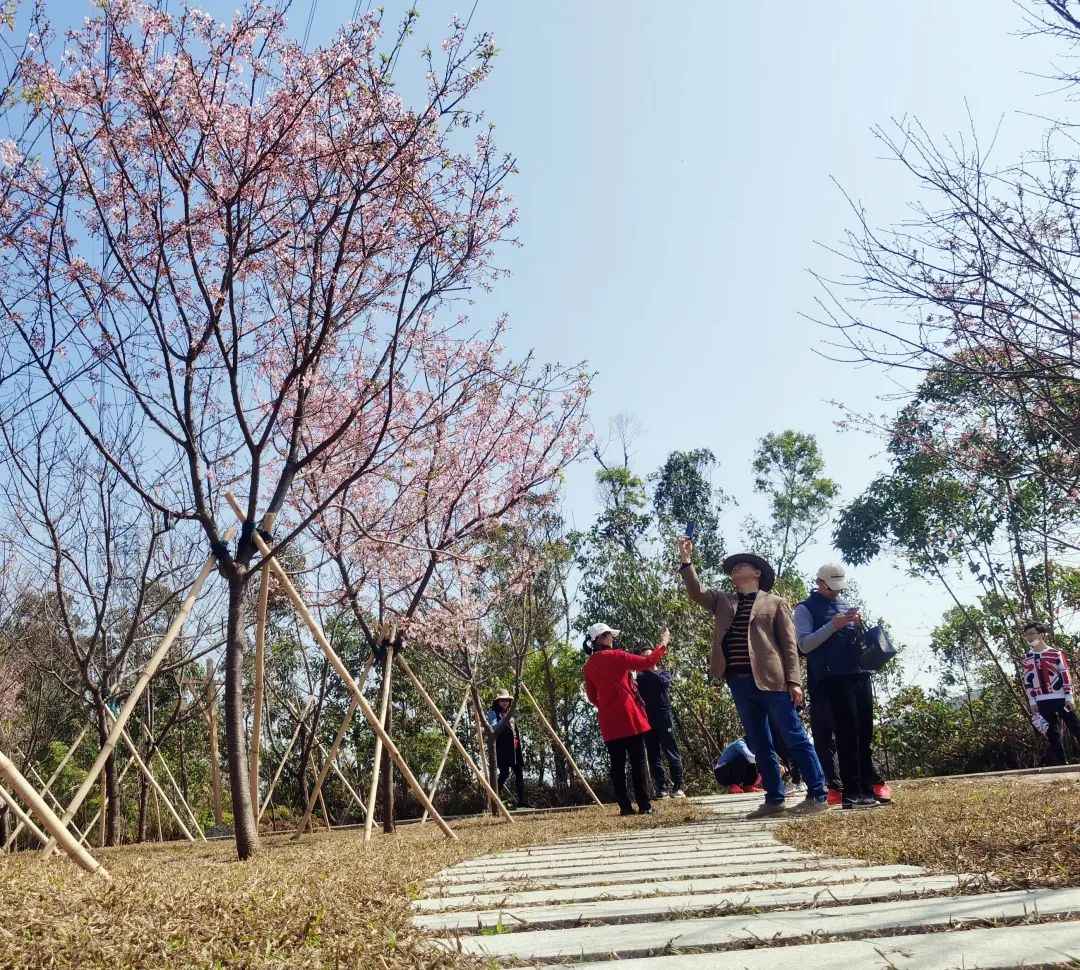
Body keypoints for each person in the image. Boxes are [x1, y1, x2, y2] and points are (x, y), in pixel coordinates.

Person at [677, 538, 829, 818]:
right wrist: (686, 560)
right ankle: (774, 799)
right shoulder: (723, 600)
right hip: (738, 680)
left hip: (772, 680)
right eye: (733, 567)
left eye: (742, 565)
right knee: (759, 743)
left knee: (793, 736)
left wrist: (794, 682)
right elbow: (696, 592)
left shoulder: (776, 603)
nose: (735, 569)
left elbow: (788, 646)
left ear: (757, 573)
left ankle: (818, 794)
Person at [794, 563, 891, 810]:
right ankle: (852, 793)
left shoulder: (845, 604)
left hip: (859, 674)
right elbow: (804, 645)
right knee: (847, 735)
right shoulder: (805, 609)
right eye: (831, 586)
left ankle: (867, 788)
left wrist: (855, 623)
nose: (836, 592)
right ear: (819, 583)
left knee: (864, 733)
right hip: (832, 678)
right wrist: (832, 626)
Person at [583, 622, 666, 816]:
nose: (613, 638)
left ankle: (625, 807)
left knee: (617, 765)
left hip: (609, 719)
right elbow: (647, 663)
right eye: (610, 635)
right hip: (629, 716)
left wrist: (607, 705)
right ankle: (644, 805)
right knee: (638, 762)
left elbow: (592, 697)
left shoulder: (589, 666)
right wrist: (662, 644)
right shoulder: (617, 656)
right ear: (602, 638)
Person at [1021, 621, 1080, 765]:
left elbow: (1065, 675)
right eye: (1027, 634)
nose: (1029, 637)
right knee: (1052, 733)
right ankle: (1063, 763)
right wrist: (1032, 701)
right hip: (1041, 701)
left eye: (1032, 634)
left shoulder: (1055, 653)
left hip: (1061, 699)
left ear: (1041, 635)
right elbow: (1027, 682)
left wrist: (1069, 696)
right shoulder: (1026, 658)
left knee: (1075, 726)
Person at [637, 636, 686, 799]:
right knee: (653, 753)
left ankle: (679, 786)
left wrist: (649, 668)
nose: (647, 658)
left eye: (649, 655)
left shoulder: (663, 673)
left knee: (671, 750)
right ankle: (661, 787)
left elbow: (663, 683)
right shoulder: (639, 679)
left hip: (663, 714)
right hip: (647, 717)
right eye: (644, 656)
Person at [487, 689, 528, 808]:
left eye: (506, 700)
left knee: (519, 773)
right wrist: (504, 720)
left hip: (515, 747)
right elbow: (493, 727)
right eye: (502, 700)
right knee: (504, 773)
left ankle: (522, 802)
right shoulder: (493, 712)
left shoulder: (510, 712)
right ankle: (495, 798)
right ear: (498, 702)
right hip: (502, 747)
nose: (504, 702)